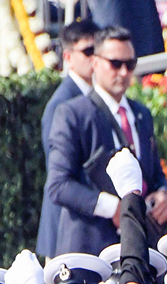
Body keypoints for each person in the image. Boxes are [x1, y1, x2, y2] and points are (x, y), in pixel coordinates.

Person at [44, 26, 167, 257]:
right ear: (95, 63)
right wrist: (114, 208)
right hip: (89, 252)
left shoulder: (142, 114)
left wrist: (163, 194)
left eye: (130, 64)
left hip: (139, 252)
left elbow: (154, 173)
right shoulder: (72, 114)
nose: (123, 72)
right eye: (115, 64)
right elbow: (59, 185)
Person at [37, 18, 100, 259]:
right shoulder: (61, 105)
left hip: (87, 227)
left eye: (98, 50)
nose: (95, 58)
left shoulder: (95, 95)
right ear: (68, 57)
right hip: (65, 229)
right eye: (88, 51)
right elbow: (60, 175)